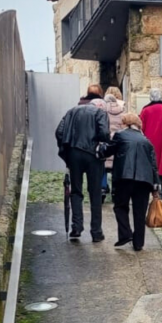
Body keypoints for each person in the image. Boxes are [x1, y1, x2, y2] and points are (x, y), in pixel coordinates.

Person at [100, 113, 160, 252]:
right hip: (144, 180)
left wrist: (100, 149)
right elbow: (153, 165)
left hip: (124, 177)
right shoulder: (146, 141)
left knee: (120, 206)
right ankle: (138, 243)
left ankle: (125, 234)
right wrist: (156, 186)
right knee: (140, 211)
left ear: (125, 123)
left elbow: (108, 150)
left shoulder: (120, 135)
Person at [55, 98, 110, 242]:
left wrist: (66, 149)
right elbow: (104, 133)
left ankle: (76, 227)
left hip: (74, 154)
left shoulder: (71, 111)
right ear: (99, 105)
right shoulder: (100, 113)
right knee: (95, 192)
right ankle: (96, 232)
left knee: (76, 191)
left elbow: (59, 132)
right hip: (93, 156)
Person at [102, 91, 126, 198]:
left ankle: (102, 187)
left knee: (102, 165)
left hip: (105, 141)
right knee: (116, 167)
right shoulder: (122, 111)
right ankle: (115, 190)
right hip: (118, 142)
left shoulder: (102, 111)